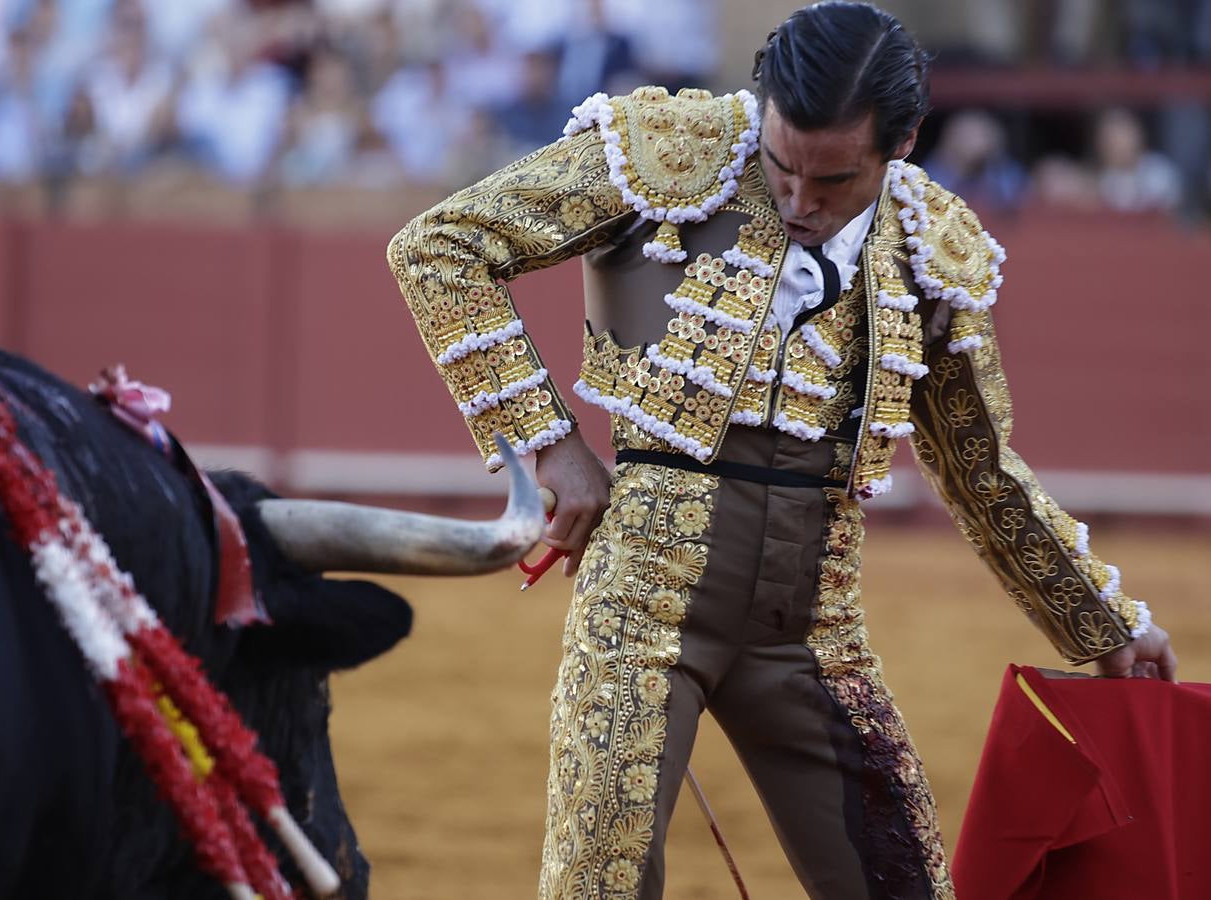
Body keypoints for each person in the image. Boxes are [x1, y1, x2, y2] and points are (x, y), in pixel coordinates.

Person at [387, 3, 1178, 898]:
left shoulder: (930, 246)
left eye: (834, 180)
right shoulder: (667, 149)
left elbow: (981, 470)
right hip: (640, 601)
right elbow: (440, 247)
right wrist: (549, 443)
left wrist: (1099, 624)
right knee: (596, 888)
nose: (798, 202)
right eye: (779, 166)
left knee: (902, 885)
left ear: (903, 142)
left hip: (812, 625)